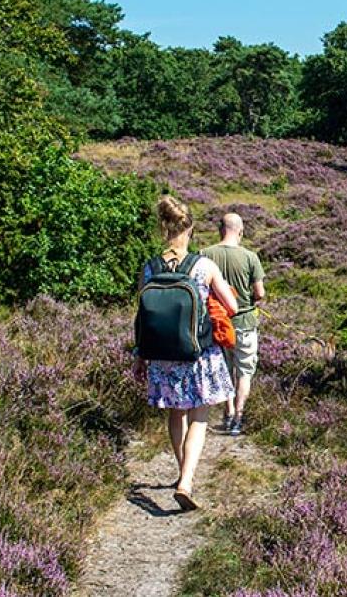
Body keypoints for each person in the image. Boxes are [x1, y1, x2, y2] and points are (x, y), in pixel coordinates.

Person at [134, 196, 238, 511]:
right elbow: (232, 307)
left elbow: (142, 316)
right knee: (200, 416)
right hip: (199, 354)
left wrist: (140, 356)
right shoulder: (203, 266)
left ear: (163, 229)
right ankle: (187, 480)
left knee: (175, 413)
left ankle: (181, 469)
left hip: (161, 356)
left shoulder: (149, 267)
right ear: (189, 229)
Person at [200, 213, 266, 437]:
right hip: (245, 322)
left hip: (216, 323)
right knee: (245, 371)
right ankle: (238, 418)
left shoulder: (205, 255)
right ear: (241, 231)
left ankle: (227, 412)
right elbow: (260, 293)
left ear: (220, 230)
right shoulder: (250, 257)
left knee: (225, 369)